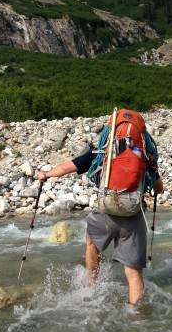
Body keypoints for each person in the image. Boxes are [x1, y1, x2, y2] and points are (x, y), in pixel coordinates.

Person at [37, 124, 163, 305]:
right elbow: (159, 189)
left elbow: (66, 168)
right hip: (134, 216)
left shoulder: (101, 153)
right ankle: (137, 316)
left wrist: (46, 174)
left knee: (91, 244)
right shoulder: (145, 157)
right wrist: (154, 170)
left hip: (105, 212)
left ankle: (93, 286)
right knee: (134, 273)